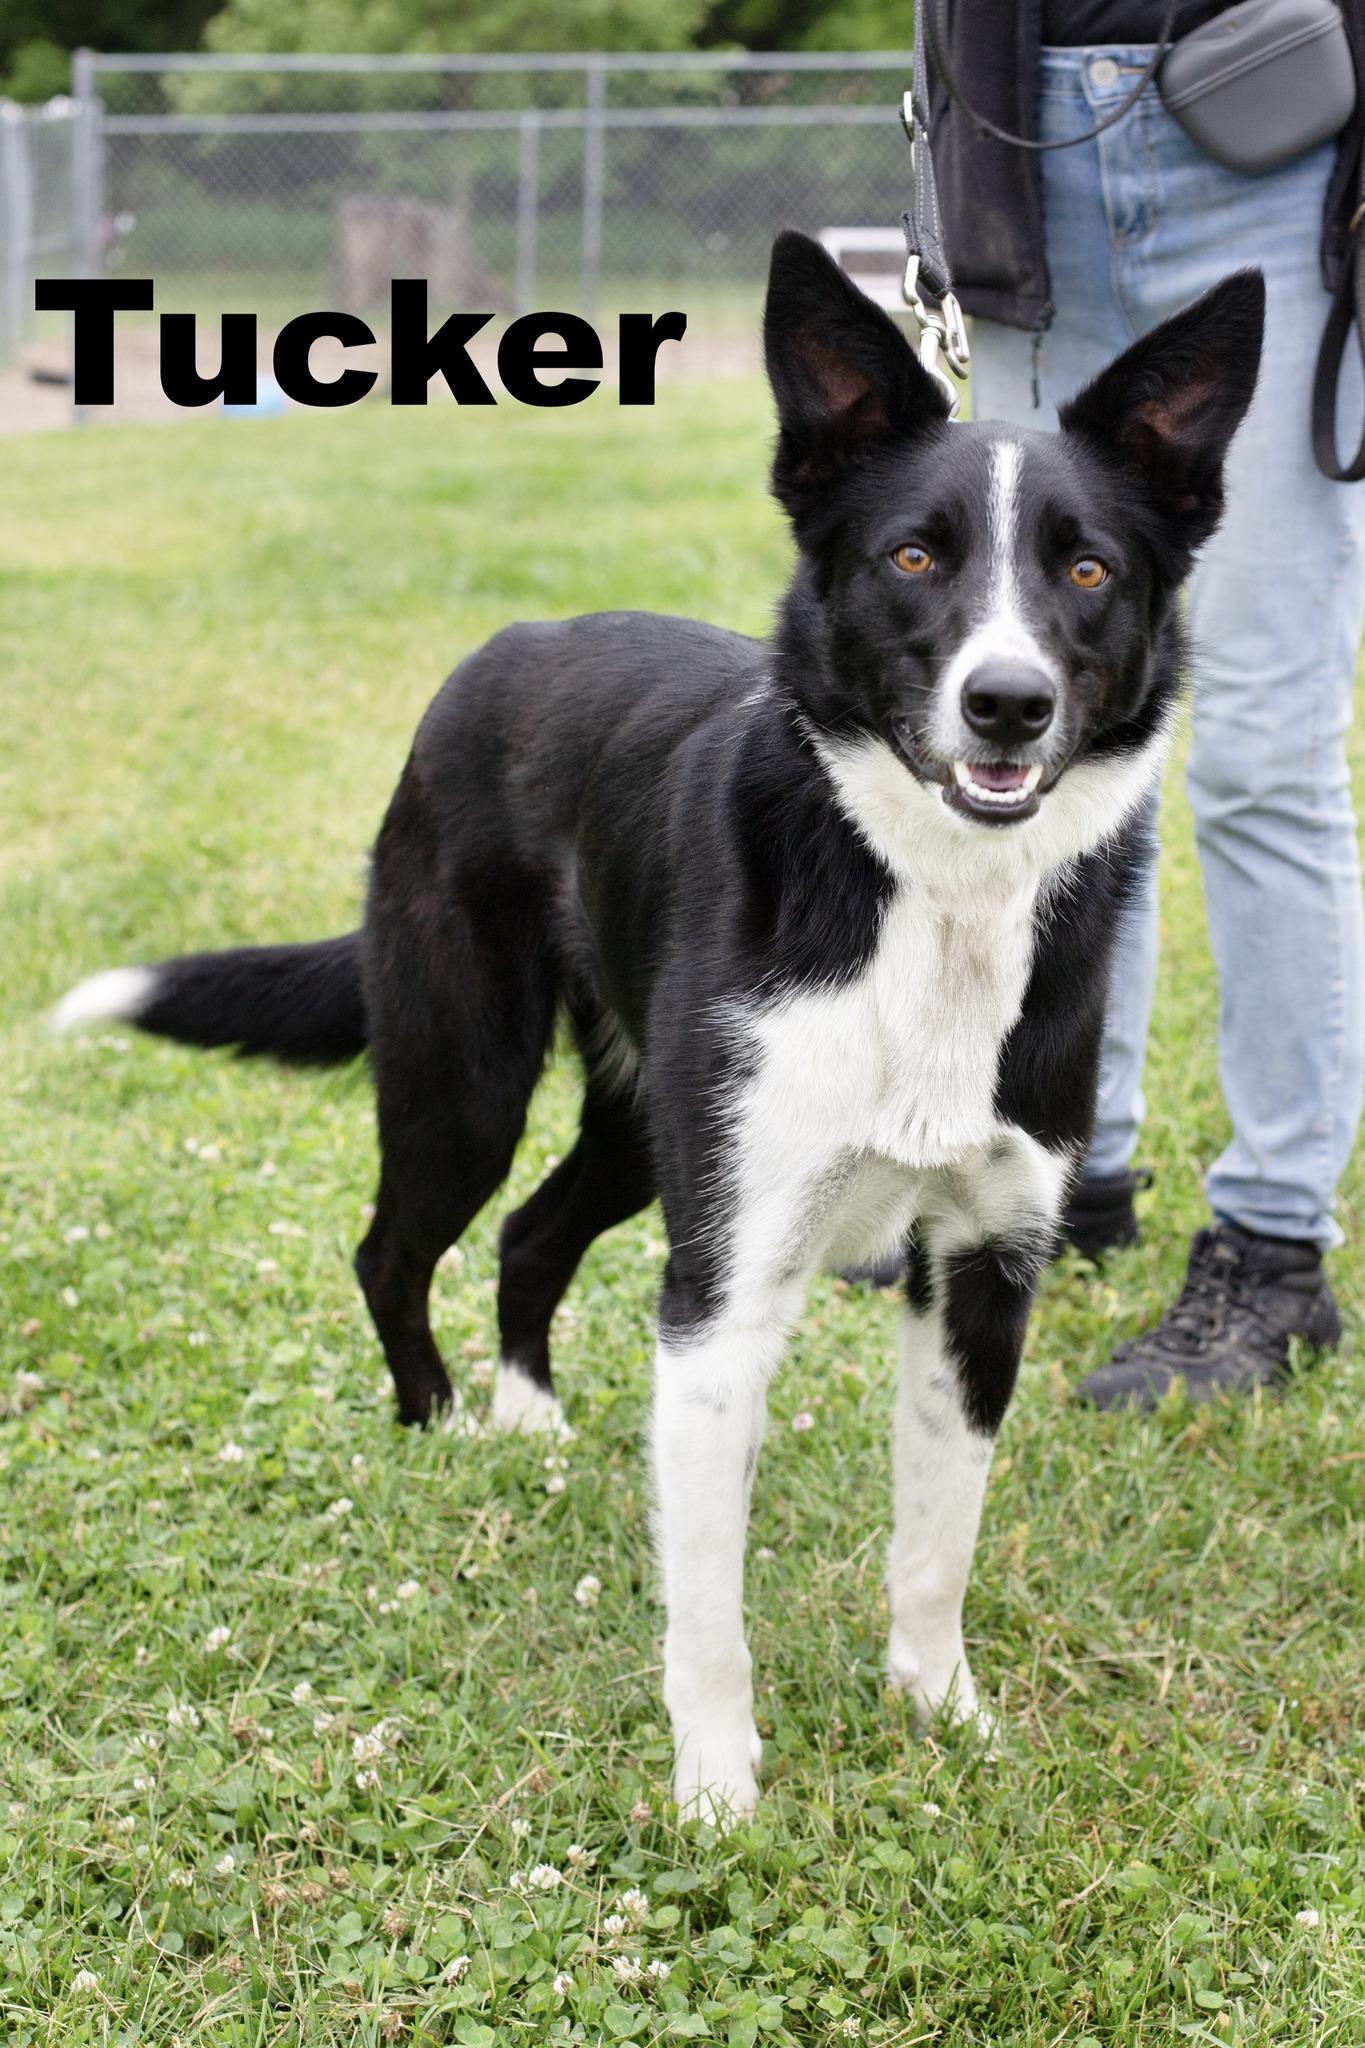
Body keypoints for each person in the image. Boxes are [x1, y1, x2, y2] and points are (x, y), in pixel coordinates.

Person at [932, 2, 1365, 1407]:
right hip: (1018, 154)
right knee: (1050, 742)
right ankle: (1070, 1156)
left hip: (1278, 143)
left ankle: (1272, 1244)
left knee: (1260, 755)